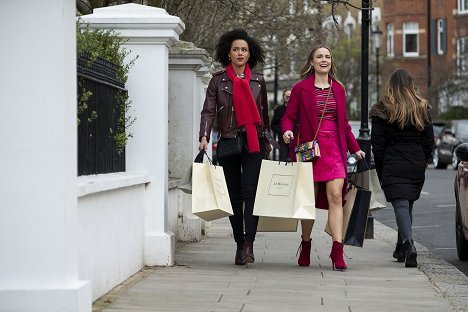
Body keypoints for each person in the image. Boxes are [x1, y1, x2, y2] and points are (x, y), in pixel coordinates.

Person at [281, 45, 365, 270]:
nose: (324, 59)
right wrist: (287, 131)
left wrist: (355, 148)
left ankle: (337, 250)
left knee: (336, 196)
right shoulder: (301, 88)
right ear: (312, 61)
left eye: (327, 56)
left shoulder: (338, 89)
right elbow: (288, 116)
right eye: (319, 56)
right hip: (310, 150)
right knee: (308, 200)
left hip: (334, 150)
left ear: (331, 62)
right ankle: (306, 244)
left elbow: (344, 124)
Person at [198, 29, 271, 266]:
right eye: (236, 49)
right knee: (232, 196)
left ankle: (249, 243)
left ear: (250, 55)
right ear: (228, 54)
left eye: (244, 50)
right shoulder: (218, 81)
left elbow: (264, 115)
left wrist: (267, 139)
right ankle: (239, 243)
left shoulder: (259, 80)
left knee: (252, 194)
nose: (240, 53)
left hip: (253, 141)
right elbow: (208, 111)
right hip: (229, 141)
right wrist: (204, 135)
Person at [370, 69, 434, 268]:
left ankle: (408, 243)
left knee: (400, 204)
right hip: (415, 160)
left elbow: (377, 144)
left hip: (393, 160)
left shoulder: (382, 109)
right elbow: (428, 140)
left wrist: (381, 167)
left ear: (391, 85)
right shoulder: (421, 107)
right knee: (408, 204)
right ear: (410, 84)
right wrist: (424, 160)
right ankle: (400, 247)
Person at [271, 88, 292, 161]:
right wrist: (282, 131)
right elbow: (273, 125)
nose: (288, 98)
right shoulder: (279, 110)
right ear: (283, 97)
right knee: (283, 160)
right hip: (282, 139)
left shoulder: (297, 109)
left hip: (295, 139)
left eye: (290, 96)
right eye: (286, 96)